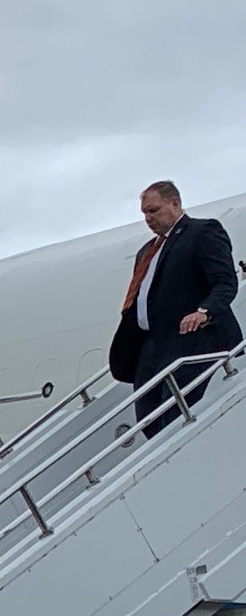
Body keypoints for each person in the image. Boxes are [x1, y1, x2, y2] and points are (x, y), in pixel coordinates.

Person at [109, 180, 241, 435]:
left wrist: (204, 312)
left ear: (175, 203)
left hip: (189, 344)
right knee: (149, 421)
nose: (148, 218)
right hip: (150, 349)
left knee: (176, 420)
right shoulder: (146, 251)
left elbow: (225, 282)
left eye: (154, 210)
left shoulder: (202, 233)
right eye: (145, 213)